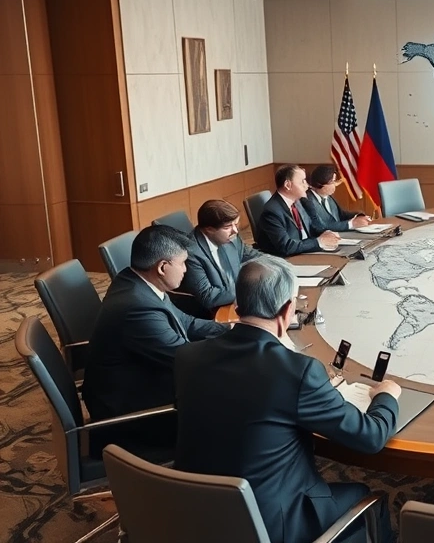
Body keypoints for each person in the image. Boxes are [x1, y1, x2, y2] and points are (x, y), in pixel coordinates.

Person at [175, 256, 400, 543]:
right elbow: (370, 437)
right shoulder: (298, 371)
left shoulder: (188, 356)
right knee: (370, 498)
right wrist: (386, 397)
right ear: (286, 310)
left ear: (238, 306)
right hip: (268, 524)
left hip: (189, 509)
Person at [82, 225, 229, 455]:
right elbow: (186, 358)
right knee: (231, 396)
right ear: (162, 267)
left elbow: (186, 323)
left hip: (142, 382)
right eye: (182, 263)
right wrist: (238, 347)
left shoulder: (137, 281)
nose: (186, 270)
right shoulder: (137, 307)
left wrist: (232, 329)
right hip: (135, 415)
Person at [177, 200, 261, 318]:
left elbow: (252, 256)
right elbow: (208, 296)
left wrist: (280, 267)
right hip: (213, 315)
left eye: (235, 224)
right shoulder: (191, 253)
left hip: (238, 303)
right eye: (228, 227)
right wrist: (247, 289)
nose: (235, 231)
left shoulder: (231, 237)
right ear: (209, 229)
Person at [257, 165, 342, 257]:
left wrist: (327, 233)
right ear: (287, 185)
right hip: (288, 259)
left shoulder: (301, 201)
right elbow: (286, 247)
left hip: (305, 251)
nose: (307, 185)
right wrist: (319, 241)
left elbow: (315, 226)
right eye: (302, 181)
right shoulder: (272, 212)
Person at [302, 165, 373, 231]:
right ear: (320, 184)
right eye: (332, 182)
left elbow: (341, 215)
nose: (335, 185)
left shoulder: (328, 197)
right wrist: (351, 224)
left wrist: (359, 216)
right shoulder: (308, 201)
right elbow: (320, 227)